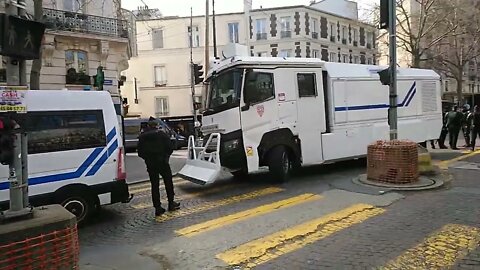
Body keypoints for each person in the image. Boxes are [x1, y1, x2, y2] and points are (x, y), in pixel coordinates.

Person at [137, 117, 180, 216]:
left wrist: (147, 159)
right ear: (156, 125)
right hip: (163, 162)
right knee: (168, 182)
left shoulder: (143, 136)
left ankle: (157, 207)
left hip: (151, 163)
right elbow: (170, 147)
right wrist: (166, 157)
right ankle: (171, 203)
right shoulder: (162, 134)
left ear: (148, 125)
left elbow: (140, 152)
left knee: (154, 185)